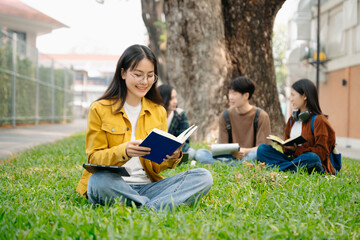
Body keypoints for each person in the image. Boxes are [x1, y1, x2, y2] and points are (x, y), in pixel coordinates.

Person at [76, 44, 213, 212]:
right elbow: (94, 159)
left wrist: (173, 155)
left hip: (150, 187)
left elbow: (157, 164)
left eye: (150, 76)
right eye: (138, 75)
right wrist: (124, 151)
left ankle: (142, 206)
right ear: (123, 73)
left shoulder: (158, 111)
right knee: (98, 181)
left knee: (203, 176)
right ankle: (155, 207)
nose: (144, 82)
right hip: (114, 184)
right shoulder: (100, 109)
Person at [257, 79, 337, 174]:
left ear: (304, 96)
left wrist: (296, 150)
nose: (291, 98)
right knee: (263, 149)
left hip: (312, 162)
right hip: (294, 161)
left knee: (312, 158)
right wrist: (286, 147)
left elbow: (322, 153)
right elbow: (286, 152)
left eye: (293, 95)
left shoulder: (319, 120)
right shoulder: (292, 120)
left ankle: (280, 168)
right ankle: (289, 169)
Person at [195, 76, 272, 165]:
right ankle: (238, 165)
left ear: (246, 95)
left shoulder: (261, 116)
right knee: (201, 153)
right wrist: (217, 148)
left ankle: (226, 165)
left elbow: (264, 148)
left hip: (249, 155)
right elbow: (223, 146)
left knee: (255, 155)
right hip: (230, 156)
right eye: (230, 93)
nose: (230, 97)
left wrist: (244, 151)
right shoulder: (225, 116)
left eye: (234, 94)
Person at [158, 84, 196, 159]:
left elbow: (186, 142)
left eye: (176, 98)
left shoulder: (180, 115)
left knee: (191, 152)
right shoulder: (153, 116)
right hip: (158, 151)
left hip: (175, 152)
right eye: (171, 98)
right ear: (163, 99)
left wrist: (174, 151)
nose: (175, 101)